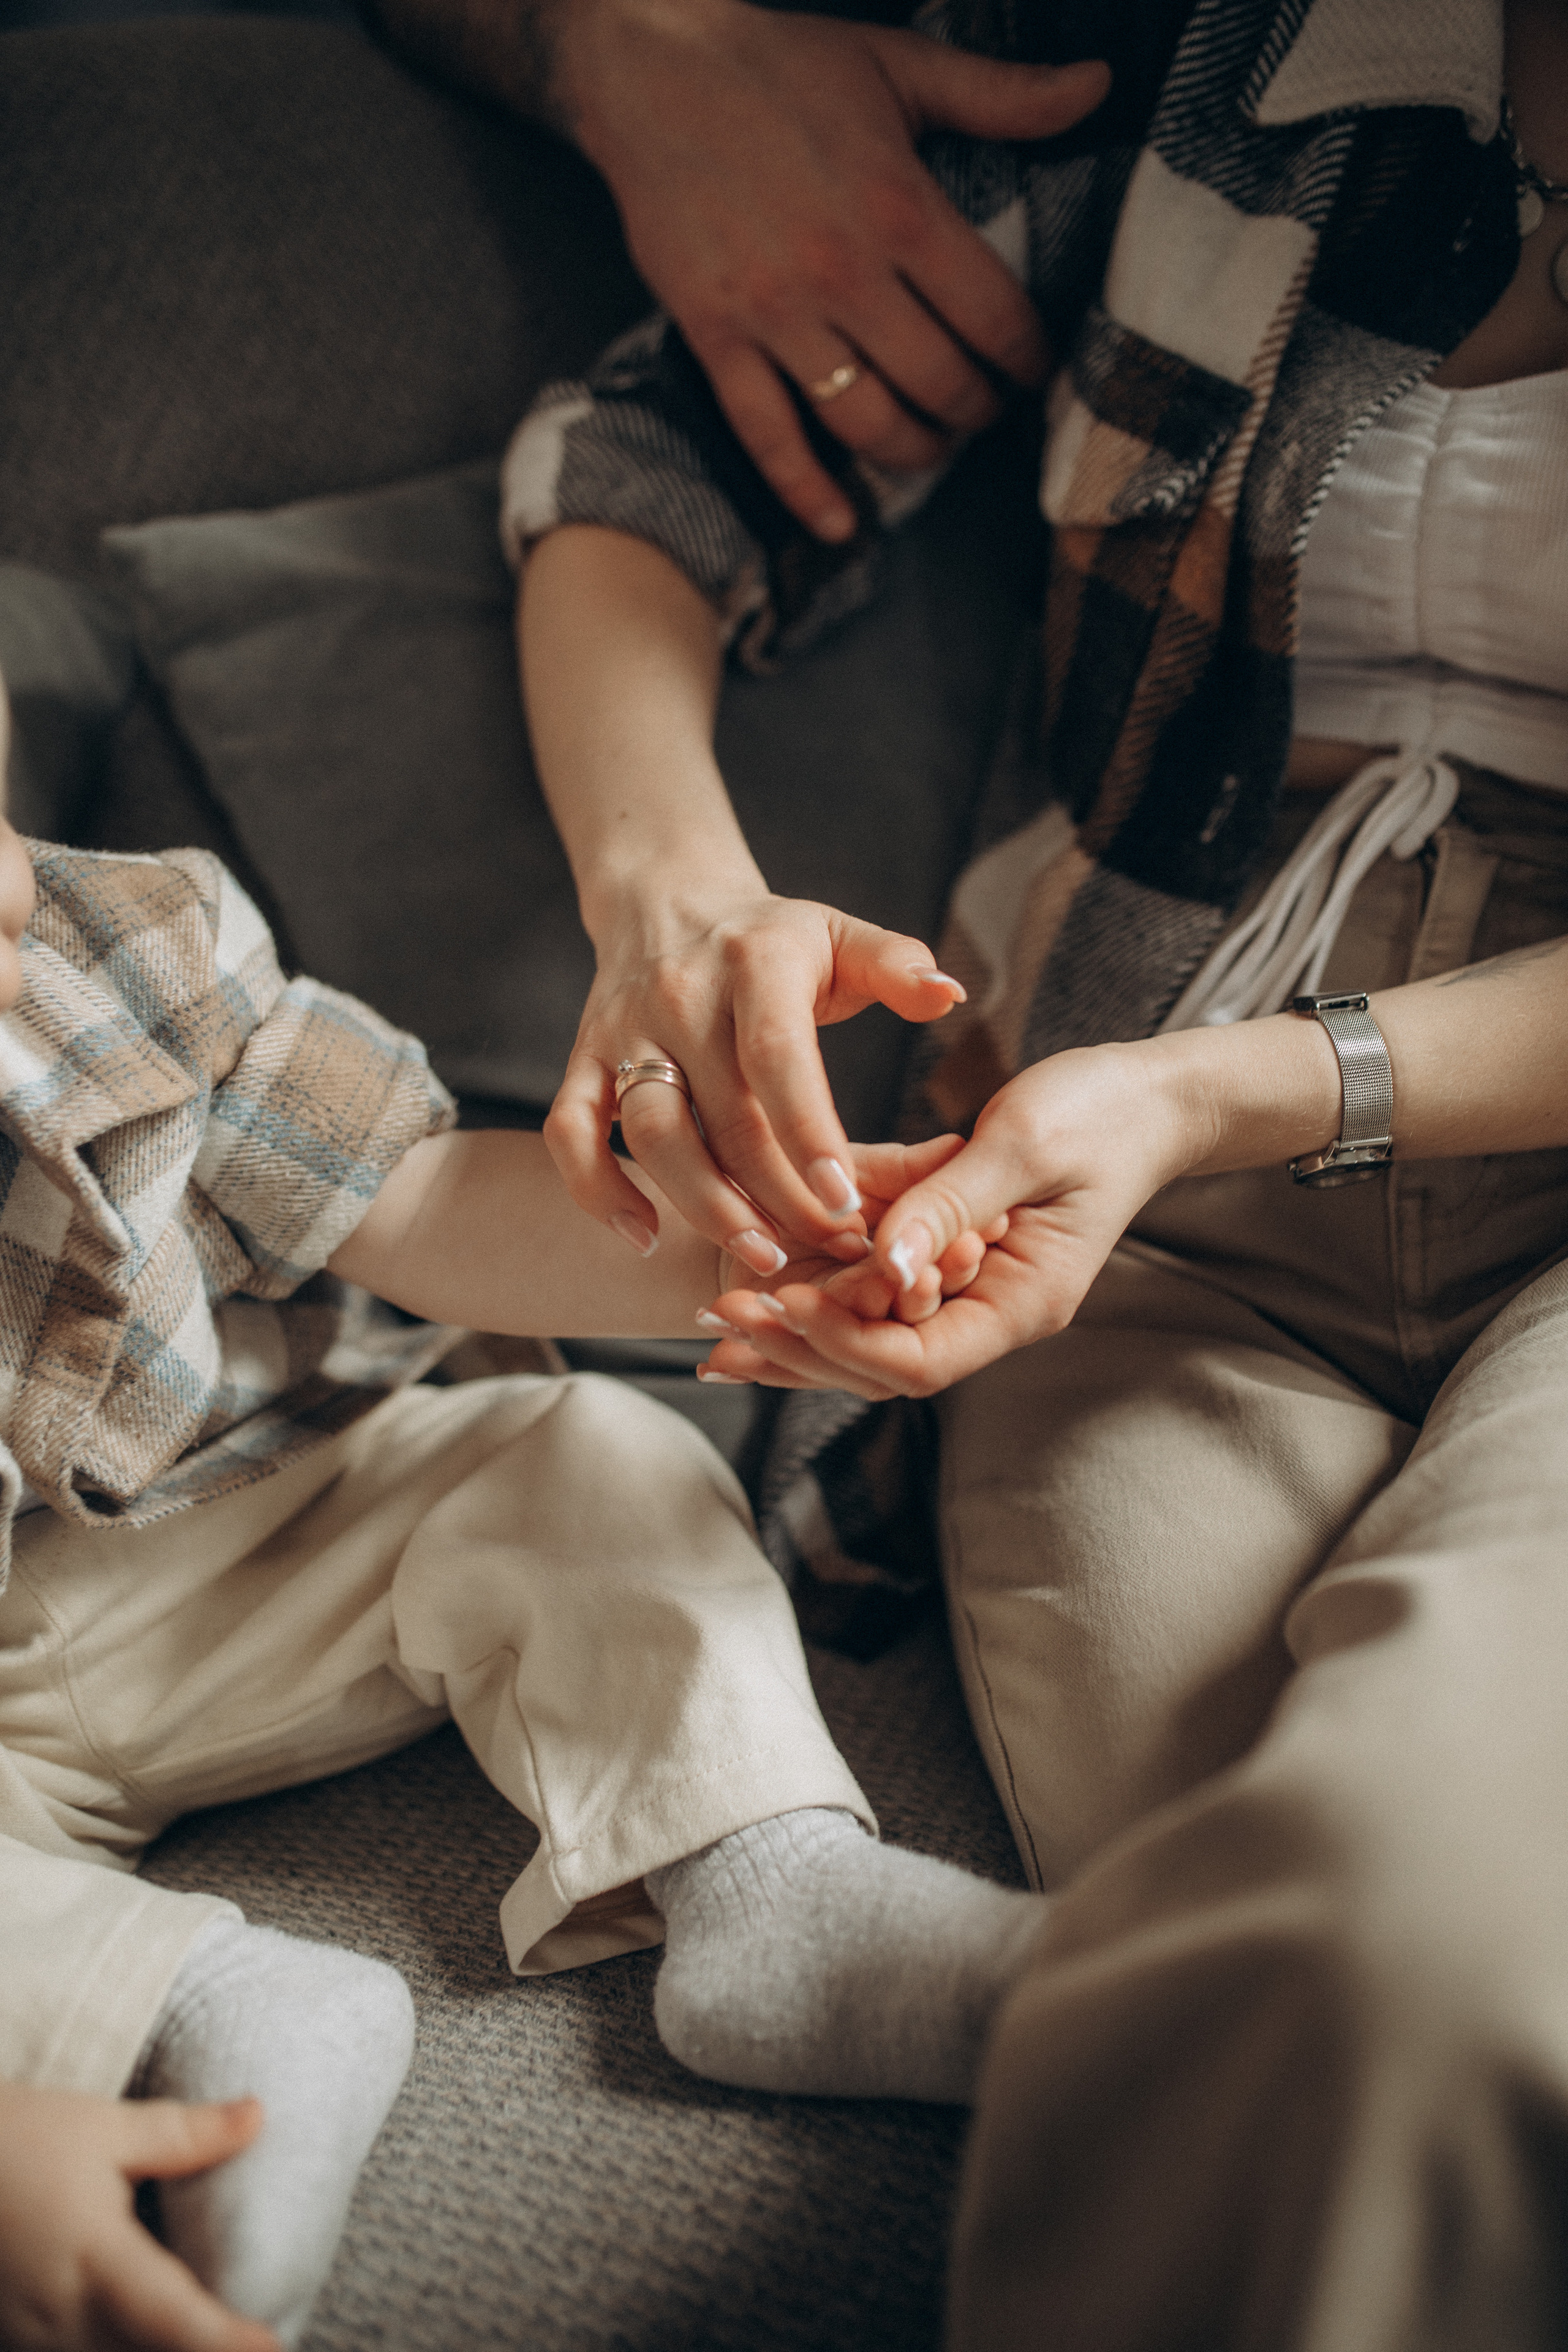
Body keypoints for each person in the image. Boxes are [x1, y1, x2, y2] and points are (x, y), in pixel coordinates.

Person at [504, 0, 1568, 2342]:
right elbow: (639, 466)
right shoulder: (1221, 74)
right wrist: (672, 904)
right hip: (1109, 1210)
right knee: (1246, 1962)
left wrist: (1215, 1093)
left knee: (1416, 1929)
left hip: (1249, 1120)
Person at [0, 673, 1047, 2352]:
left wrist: (774, 1247)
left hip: (212, 1543)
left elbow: (415, 1203)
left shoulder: (115, 947)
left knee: (579, 1450)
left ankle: (765, 1881)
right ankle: (215, 2001)